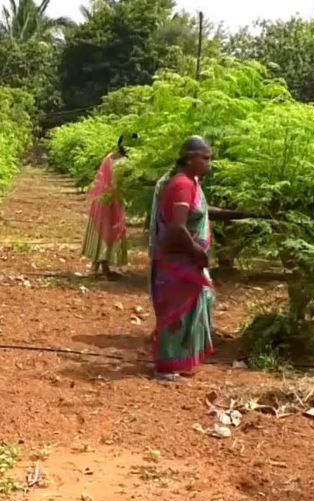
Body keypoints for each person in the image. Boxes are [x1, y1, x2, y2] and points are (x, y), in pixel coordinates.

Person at [148, 136, 245, 381]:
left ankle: (179, 360)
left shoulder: (192, 182)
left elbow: (198, 212)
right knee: (176, 312)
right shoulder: (182, 185)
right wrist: (196, 251)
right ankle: (166, 366)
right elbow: (177, 228)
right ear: (190, 159)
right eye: (205, 158)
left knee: (192, 307)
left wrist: (238, 214)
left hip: (185, 260)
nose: (209, 163)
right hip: (178, 261)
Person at [81, 134, 137, 279]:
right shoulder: (125, 162)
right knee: (108, 231)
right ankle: (103, 268)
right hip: (109, 201)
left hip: (103, 200)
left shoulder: (110, 157)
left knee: (102, 231)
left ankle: (96, 267)